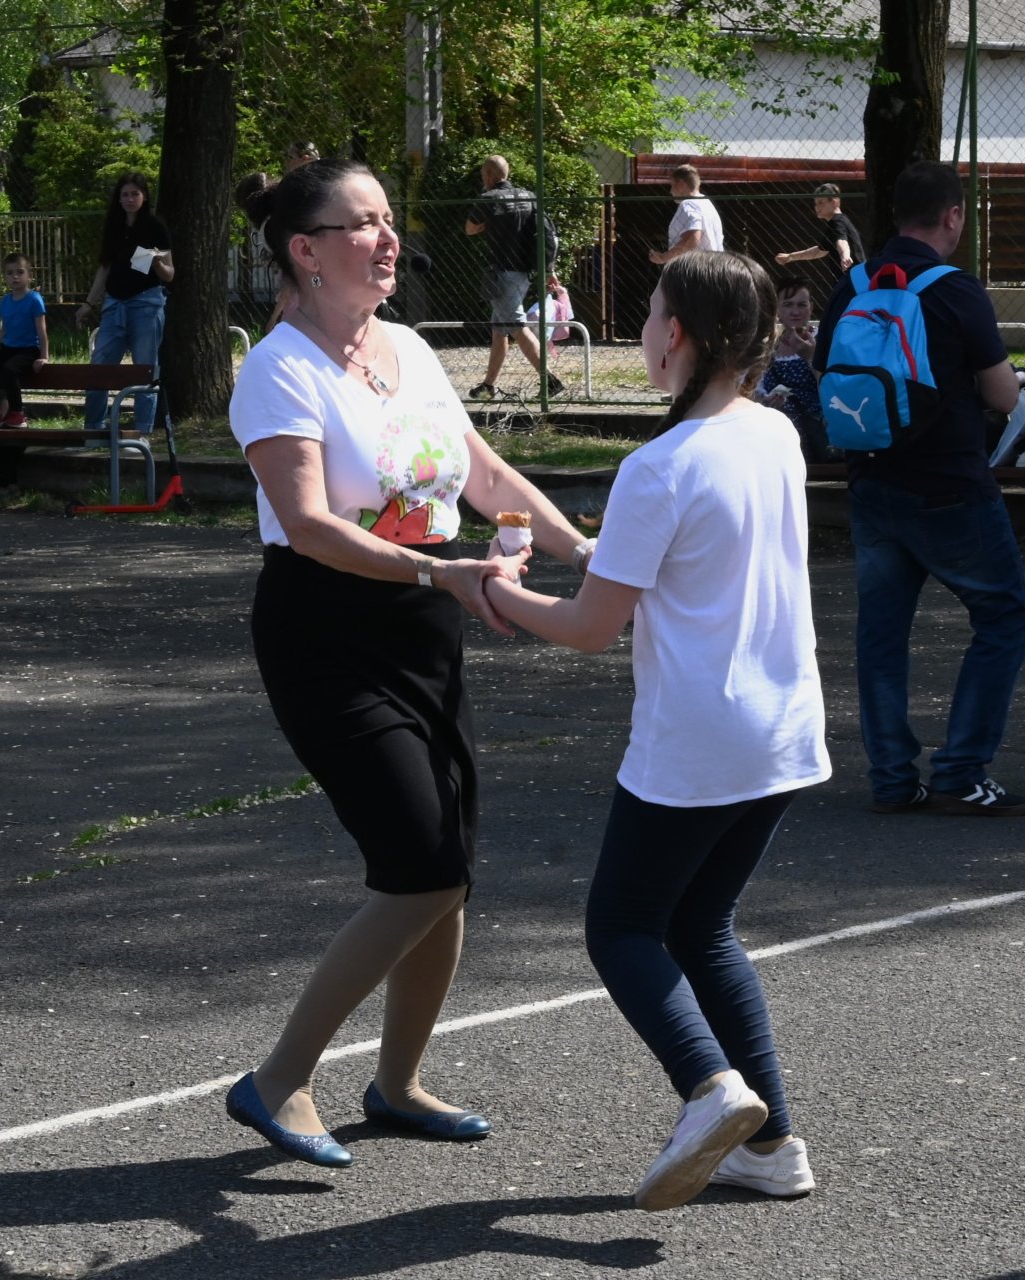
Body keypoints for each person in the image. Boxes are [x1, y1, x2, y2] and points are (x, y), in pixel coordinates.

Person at [223, 158, 595, 1169]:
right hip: (327, 630)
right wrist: (441, 573)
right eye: (364, 224)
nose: (391, 239)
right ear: (307, 250)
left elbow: (483, 472)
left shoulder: (414, 349)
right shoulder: (279, 369)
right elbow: (308, 524)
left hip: (427, 622)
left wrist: (584, 551)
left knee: (448, 868)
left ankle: (397, 1083)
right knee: (421, 863)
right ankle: (276, 1080)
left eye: (389, 219)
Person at [483, 251, 828, 1211]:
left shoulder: (659, 465)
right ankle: (774, 1145)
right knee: (701, 925)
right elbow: (698, 558)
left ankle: (711, 1089)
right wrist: (601, 554)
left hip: (697, 741)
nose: (642, 331)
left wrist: (499, 592)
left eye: (648, 314)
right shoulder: (775, 431)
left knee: (622, 928)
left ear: (676, 335)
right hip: (782, 730)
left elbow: (592, 628)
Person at [813, 160, 1025, 816]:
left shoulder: (853, 284)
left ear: (895, 214)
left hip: (871, 480)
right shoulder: (956, 290)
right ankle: (961, 769)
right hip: (950, 486)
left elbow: (826, 373)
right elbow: (1003, 395)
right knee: (1004, 616)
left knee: (882, 635)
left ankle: (890, 777)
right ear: (953, 216)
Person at [75, 172, 172, 433]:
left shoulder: (154, 227)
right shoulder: (114, 226)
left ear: (144, 196)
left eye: (135, 194)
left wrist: (156, 263)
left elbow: (170, 273)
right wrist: (88, 304)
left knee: (144, 370)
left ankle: (141, 433)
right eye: (125, 195)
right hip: (114, 304)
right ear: (118, 199)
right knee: (99, 366)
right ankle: (94, 429)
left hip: (146, 305)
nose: (130, 199)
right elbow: (104, 268)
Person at [463, 155, 563, 400]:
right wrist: (548, 269)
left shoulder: (488, 199)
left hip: (501, 273)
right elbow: (546, 234)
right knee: (499, 329)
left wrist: (487, 225)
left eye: (483, 176)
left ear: (488, 175)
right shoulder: (529, 197)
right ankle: (488, 386)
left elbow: (470, 229)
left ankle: (550, 380)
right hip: (524, 272)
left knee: (516, 326)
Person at [754, 278, 827, 460]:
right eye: (788, 305)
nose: (795, 312)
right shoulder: (769, 347)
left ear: (811, 307)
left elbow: (832, 391)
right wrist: (766, 401)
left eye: (802, 305)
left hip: (816, 436)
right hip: (778, 438)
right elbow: (754, 392)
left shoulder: (823, 341)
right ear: (777, 309)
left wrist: (811, 358)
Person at [0, 252, 49, 428]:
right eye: (10, 273)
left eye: (20, 272)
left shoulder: (34, 300)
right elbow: (5, 326)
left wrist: (44, 356)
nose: (15, 277)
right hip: (8, 349)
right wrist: (2, 338)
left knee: (8, 371)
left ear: (29, 275)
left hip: (28, 350)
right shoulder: (5, 301)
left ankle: (17, 413)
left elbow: (42, 331)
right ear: (5, 277)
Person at [774, 183, 865, 276]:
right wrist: (790, 257)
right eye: (815, 204)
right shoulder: (837, 222)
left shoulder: (837, 222)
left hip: (853, 276)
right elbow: (819, 251)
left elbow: (842, 241)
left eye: (821, 202)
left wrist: (845, 255)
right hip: (855, 275)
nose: (816, 207)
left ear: (834, 202)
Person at [650, 164, 724, 264]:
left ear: (682, 184)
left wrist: (663, 258)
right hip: (715, 265)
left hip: (697, 268)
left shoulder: (688, 204)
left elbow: (693, 238)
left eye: (672, 185)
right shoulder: (706, 202)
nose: (671, 191)